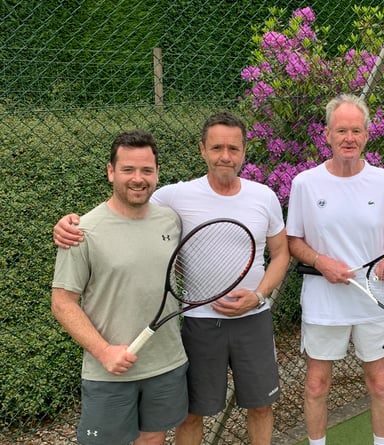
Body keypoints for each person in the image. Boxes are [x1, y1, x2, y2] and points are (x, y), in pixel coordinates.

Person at [53, 111, 290, 445]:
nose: (225, 156)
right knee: (191, 415)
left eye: (233, 148)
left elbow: (281, 253)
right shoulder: (172, 197)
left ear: (244, 151)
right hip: (198, 323)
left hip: (253, 320)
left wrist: (260, 295)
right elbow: (122, 209)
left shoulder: (263, 197)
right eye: (217, 147)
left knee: (261, 406)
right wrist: (68, 224)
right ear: (202, 150)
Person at [285, 94, 384, 445]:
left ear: (366, 136)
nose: (349, 137)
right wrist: (320, 261)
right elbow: (293, 241)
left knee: (379, 382)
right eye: (342, 130)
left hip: (373, 298)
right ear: (328, 135)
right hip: (323, 300)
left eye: (356, 130)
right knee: (317, 384)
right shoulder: (305, 183)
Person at [51, 129, 188, 445]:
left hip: (166, 362)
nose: (138, 178)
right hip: (109, 370)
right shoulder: (82, 230)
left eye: (146, 170)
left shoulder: (171, 220)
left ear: (157, 173)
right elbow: (62, 303)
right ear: (111, 171)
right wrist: (104, 351)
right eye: (128, 169)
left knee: (153, 439)